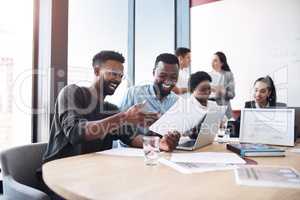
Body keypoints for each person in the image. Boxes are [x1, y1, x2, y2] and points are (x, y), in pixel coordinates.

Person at [119, 53, 180, 135]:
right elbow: (118, 125)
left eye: (173, 77)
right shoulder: (133, 93)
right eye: (162, 75)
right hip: (133, 147)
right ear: (153, 73)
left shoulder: (176, 101)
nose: (167, 81)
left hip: (163, 146)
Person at [184, 71, 218, 138]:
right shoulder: (185, 106)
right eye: (203, 89)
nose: (207, 92)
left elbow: (225, 123)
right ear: (193, 89)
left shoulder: (214, 105)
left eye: (209, 88)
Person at [209, 51, 235, 118]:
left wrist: (222, 91)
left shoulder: (228, 75)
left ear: (222, 63)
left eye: (215, 60)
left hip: (225, 111)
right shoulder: (207, 75)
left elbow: (232, 94)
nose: (212, 63)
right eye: (212, 60)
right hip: (211, 110)